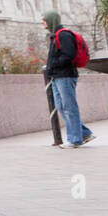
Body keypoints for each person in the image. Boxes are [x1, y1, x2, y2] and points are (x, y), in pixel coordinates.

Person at [43, 10, 94, 148]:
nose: (43, 22)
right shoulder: (54, 36)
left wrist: (53, 65)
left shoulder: (63, 35)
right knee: (61, 106)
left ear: (51, 20)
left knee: (69, 107)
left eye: (44, 19)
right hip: (57, 76)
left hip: (65, 75)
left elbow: (69, 55)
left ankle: (75, 139)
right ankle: (85, 133)